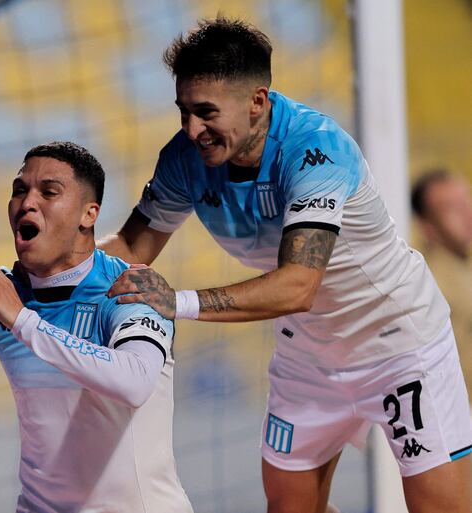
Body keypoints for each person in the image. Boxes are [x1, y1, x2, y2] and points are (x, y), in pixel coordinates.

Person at [99, 17, 472, 513]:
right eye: (184, 111)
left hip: (399, 345)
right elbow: (130, 245)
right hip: (309, 356)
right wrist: (33, 275)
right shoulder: (184, 159)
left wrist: (179, 303)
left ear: (258, 101)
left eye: (206, 112)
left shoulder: (316, 152)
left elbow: (298, 286)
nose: (192, 130)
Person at [0, 141, 193, 513]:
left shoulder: (129, 289)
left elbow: (135, 383)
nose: (27, 202)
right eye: (19, 190)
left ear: (88, 214)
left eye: (49, 192)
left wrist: (23, 320)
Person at [412, 169, 472, 400]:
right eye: (452, 208)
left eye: (466, 199)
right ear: (427, 226)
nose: (467, 213)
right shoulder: (429, 280)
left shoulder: (462, 260)